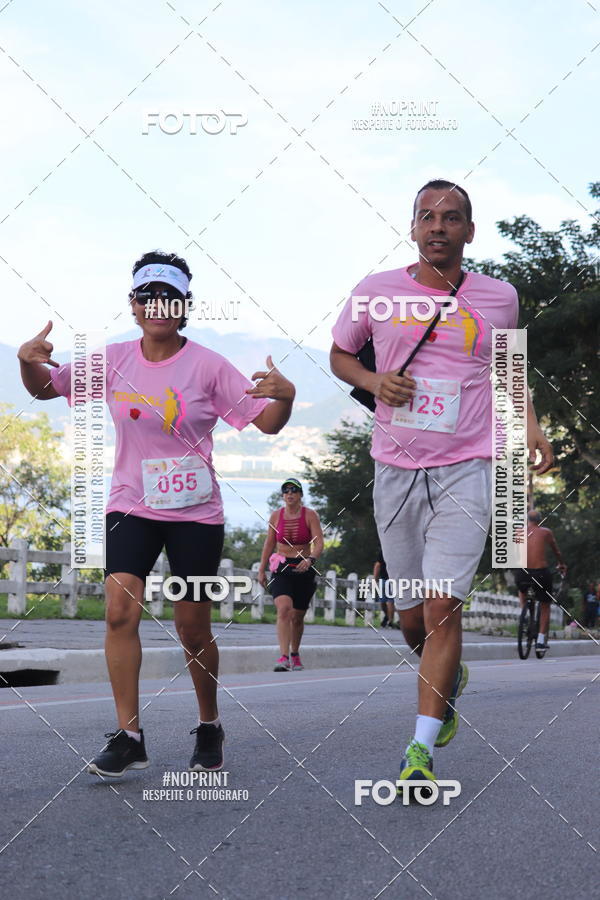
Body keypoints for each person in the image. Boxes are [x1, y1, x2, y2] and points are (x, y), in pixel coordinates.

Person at [17, 250, 295, 777]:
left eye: (171, 297)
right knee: (120, 611)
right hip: (130, 502)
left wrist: (286, 396)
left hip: (194, 512)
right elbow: (45, 389)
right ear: (135, 304)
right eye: (149, 296)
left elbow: (268, 423)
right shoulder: (112, 359)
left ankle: (209, 723)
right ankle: (129, 735)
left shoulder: (210, 365)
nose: (159, 306)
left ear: (185, 305)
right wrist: (26, 361)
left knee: (192, 627)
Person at [330, 179, 554, 789]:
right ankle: (446, 678)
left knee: (442, 605)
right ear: (412, 227)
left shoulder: (499, 297)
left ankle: (420, 749)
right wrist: (376, 384)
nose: (438, 227)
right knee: (411, 621)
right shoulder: (375, 293)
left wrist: (530, 427)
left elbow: (509, 368)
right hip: (396, 469)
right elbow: (340, 356)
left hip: (468, 466)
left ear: (469, 232)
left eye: (451, 218)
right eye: (427, 217)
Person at [258, 478, 324, 671]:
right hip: (281, 568)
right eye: (286, 491)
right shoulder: (276, 516)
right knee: (284, 609)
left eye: (294, 491)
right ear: (283, 495)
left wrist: (311, 559)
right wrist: (261, 569)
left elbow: (319, 542)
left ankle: (295, 653)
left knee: (298, 616)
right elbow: (269, 543)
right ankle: (283, 657)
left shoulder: (310, 515)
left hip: (304, 568)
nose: (290, 494)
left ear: (300, 494)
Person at [515, 509, 567, 653]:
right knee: (545, 605)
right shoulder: (546, 532)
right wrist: (561, 564)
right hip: (540, 574)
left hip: (522, 573)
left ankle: (524, 613)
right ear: (540, 520)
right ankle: (540, 641)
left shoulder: (518, 532)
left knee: (522, 590)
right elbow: (557, 552)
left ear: (527, 519)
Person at [373, 550, 396, 628]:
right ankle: (389, 620)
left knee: (383, 601)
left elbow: (377, 565)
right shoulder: (398, 552)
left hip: (384, 580)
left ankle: (388, 619)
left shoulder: (383, 551)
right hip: (393, 579)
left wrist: (375, 578)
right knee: (390, 601)